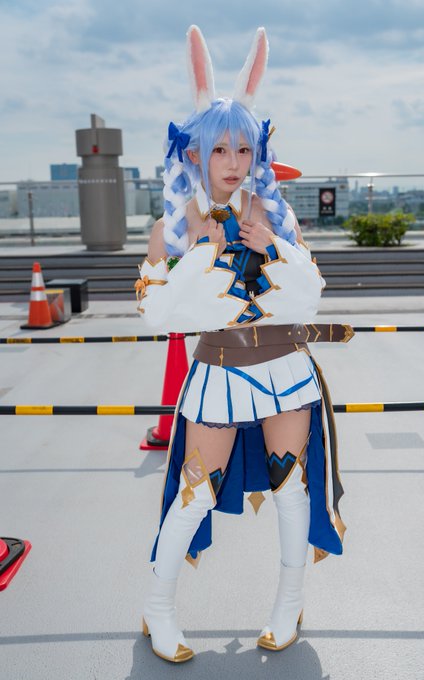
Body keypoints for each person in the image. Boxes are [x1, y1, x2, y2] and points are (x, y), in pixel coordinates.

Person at [135, 25, 347, 663]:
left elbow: (309, 296)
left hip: (286, 367)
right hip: (220, 370)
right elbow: (159, 316)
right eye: (220, 148)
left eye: (244, 148)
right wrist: (202, 254)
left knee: (291, 490)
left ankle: (289, 605)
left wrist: (274, 247)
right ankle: (158, 607)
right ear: (196, 152)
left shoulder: (276, 216)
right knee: (195, 492)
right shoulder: (172, 228)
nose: (232, 160)